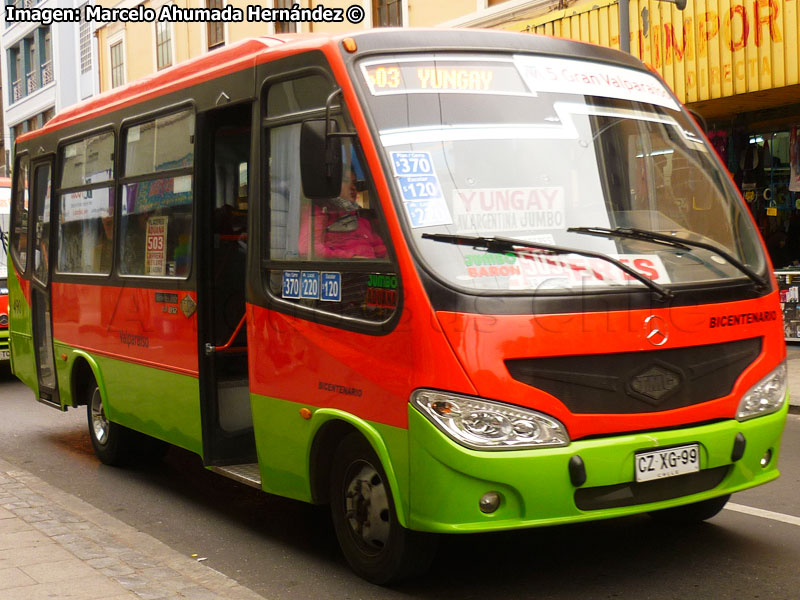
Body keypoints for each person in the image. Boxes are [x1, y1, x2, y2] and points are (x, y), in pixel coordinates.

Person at [298, 169, 386, 259]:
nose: (353, 187)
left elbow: (380, 250)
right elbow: (307, 248)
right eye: (346, 181)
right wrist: (351, 258)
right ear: (330, 186)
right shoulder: (319, 213)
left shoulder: (362, 220)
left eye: (354, 183)